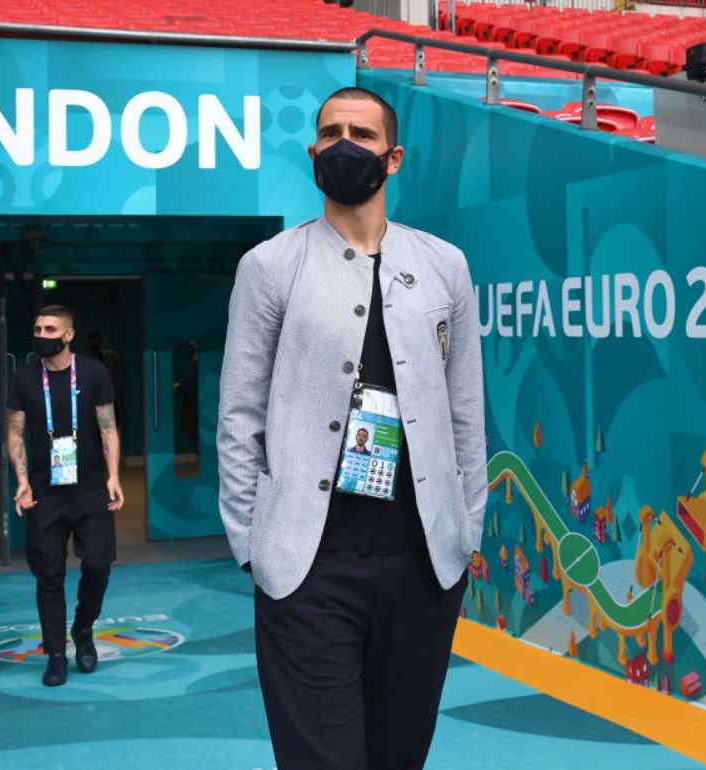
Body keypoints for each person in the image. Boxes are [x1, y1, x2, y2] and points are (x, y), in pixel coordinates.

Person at [217, 86, 487, 770]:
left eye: (361, 134)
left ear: (393, 158)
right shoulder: (270, 266)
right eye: (330, 132)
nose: (343, 145)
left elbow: (465, 414)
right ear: (312, 152)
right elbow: (238, 414)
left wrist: (467, 529)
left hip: (422, 569)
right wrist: (256, 545)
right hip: (308, 568)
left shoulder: (444, 266)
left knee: (399, 756)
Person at [7, 306, 124, 687]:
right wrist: (22, 480)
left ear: (69, 334)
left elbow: (108, 428)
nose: (42, 335)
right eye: (37, 328)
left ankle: (84, 629)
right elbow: (14, 433)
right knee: (48, 576)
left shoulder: (93, 373)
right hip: (44, 491)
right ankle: (56, 654)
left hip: (89, 488)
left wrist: (114, 476)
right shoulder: (23, 378)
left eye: (50, 329)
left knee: (98, 564)